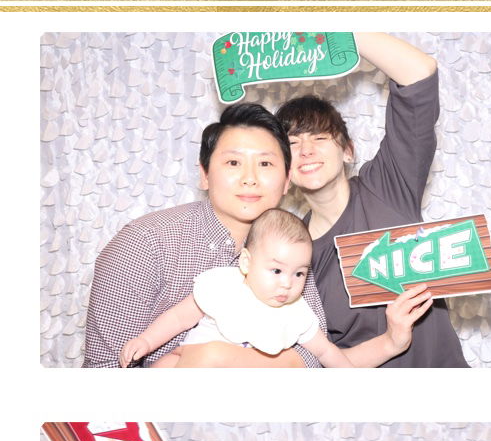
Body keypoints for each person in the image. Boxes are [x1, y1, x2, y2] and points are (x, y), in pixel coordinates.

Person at [85, 100, 429, 370]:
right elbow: (104, 372)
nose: (250, 178)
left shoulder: (291, 255)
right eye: (233, 163)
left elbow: (315, 357)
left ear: (287, 180)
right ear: (204, 174)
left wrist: (219, 359)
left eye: (265, 164)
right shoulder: (145, 243)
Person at [277, 31, 469, 369]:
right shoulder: (290, 252)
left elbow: (419, 72)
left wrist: (339, 27)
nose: (306, 150)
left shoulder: (387, 185)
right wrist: (389, 341)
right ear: (284, 168)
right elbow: (317, 363)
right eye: (292, 143)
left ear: (348, 151)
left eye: (320, 137)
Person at [118, 209, 403, 371]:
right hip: (186, 360)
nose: (287, 283)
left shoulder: (297, 313)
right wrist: (146, 341)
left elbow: (327, 352)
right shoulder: (223, 285)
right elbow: (178, 318)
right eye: (276, 270)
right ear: (246, 262)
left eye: (299, 273)